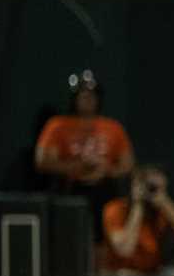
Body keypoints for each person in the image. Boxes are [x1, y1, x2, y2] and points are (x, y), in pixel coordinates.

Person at [34, 70, 135, 225]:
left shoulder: (113, 127)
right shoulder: (58, 125)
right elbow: (42, 162)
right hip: (71, 189)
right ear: (74, 98)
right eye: (83, 95)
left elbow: (127, 164)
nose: (87, 99)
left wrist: (105, 169)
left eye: (92, 95)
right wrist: (78, 167)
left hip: (105, 189)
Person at [99, 166, 174, 274]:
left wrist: (165, 203)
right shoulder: (115, 209)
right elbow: (125, 250)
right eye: (146, 186)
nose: (149, 191)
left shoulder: (162, 212)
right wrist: (138, 205)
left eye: (153, 187)